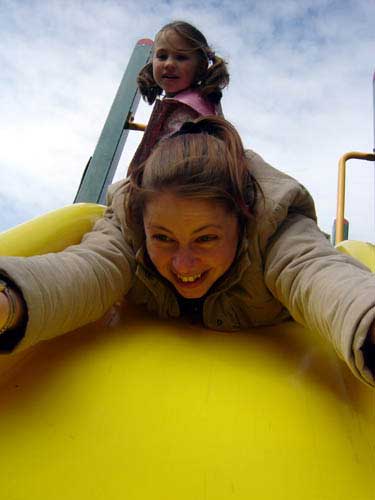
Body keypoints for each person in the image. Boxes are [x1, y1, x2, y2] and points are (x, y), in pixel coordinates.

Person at [0, 116, 375, 387]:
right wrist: (9, 303)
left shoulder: (274, 231)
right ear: (142, 223)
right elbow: (89, 269)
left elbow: (316, 274)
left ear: (242, 221)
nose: (183, 264)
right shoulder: (128, 230)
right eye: (162, 238)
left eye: (206, 239)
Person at [129, 20, 229, 172]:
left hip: (180, 181)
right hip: (168, 179)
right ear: (152, 62)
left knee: (119, 191)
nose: (169, 64)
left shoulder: (193, 106)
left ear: (201, 67)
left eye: (181, 57)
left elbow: (182, 158)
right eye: (162, 56)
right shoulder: (184, 102)